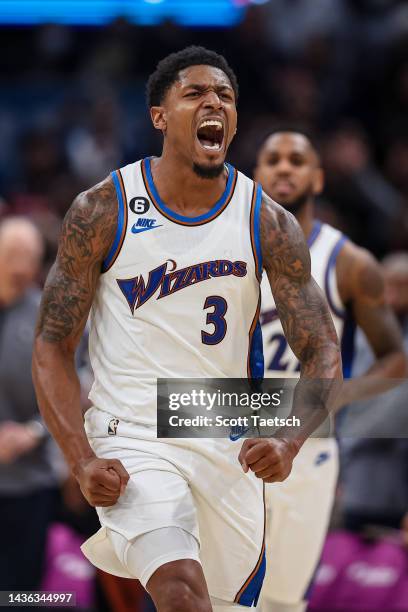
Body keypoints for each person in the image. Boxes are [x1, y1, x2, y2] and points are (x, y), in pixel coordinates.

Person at [32, 48, 342, 612]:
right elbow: (52, 344)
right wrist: (79, 458)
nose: (214, 104)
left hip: (223, 431)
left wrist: (288, 439)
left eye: (224, 96)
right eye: (196, 93)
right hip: (132, 429)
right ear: (159, 115)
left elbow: (322, 349)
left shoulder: (267, 220)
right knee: (179, 589)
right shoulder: (103, 209)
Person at [254, 130, 406, 612]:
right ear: (256, 176)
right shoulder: (217, 254)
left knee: (282, 601)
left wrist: (336, 397)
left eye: (296, 160)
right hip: (227, 434)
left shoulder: (349, 262)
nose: (283, 168)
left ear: (317, 178)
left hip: (307, 448)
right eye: (272, 159)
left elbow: (394, 356)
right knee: (209, 592)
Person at [0, 217, 59, 591]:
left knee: (20, 595)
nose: (21, 267)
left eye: (30, 258)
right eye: (12, 256)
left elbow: (77, 389)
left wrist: (33, 431)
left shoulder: (49, 319)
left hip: (29, 483)